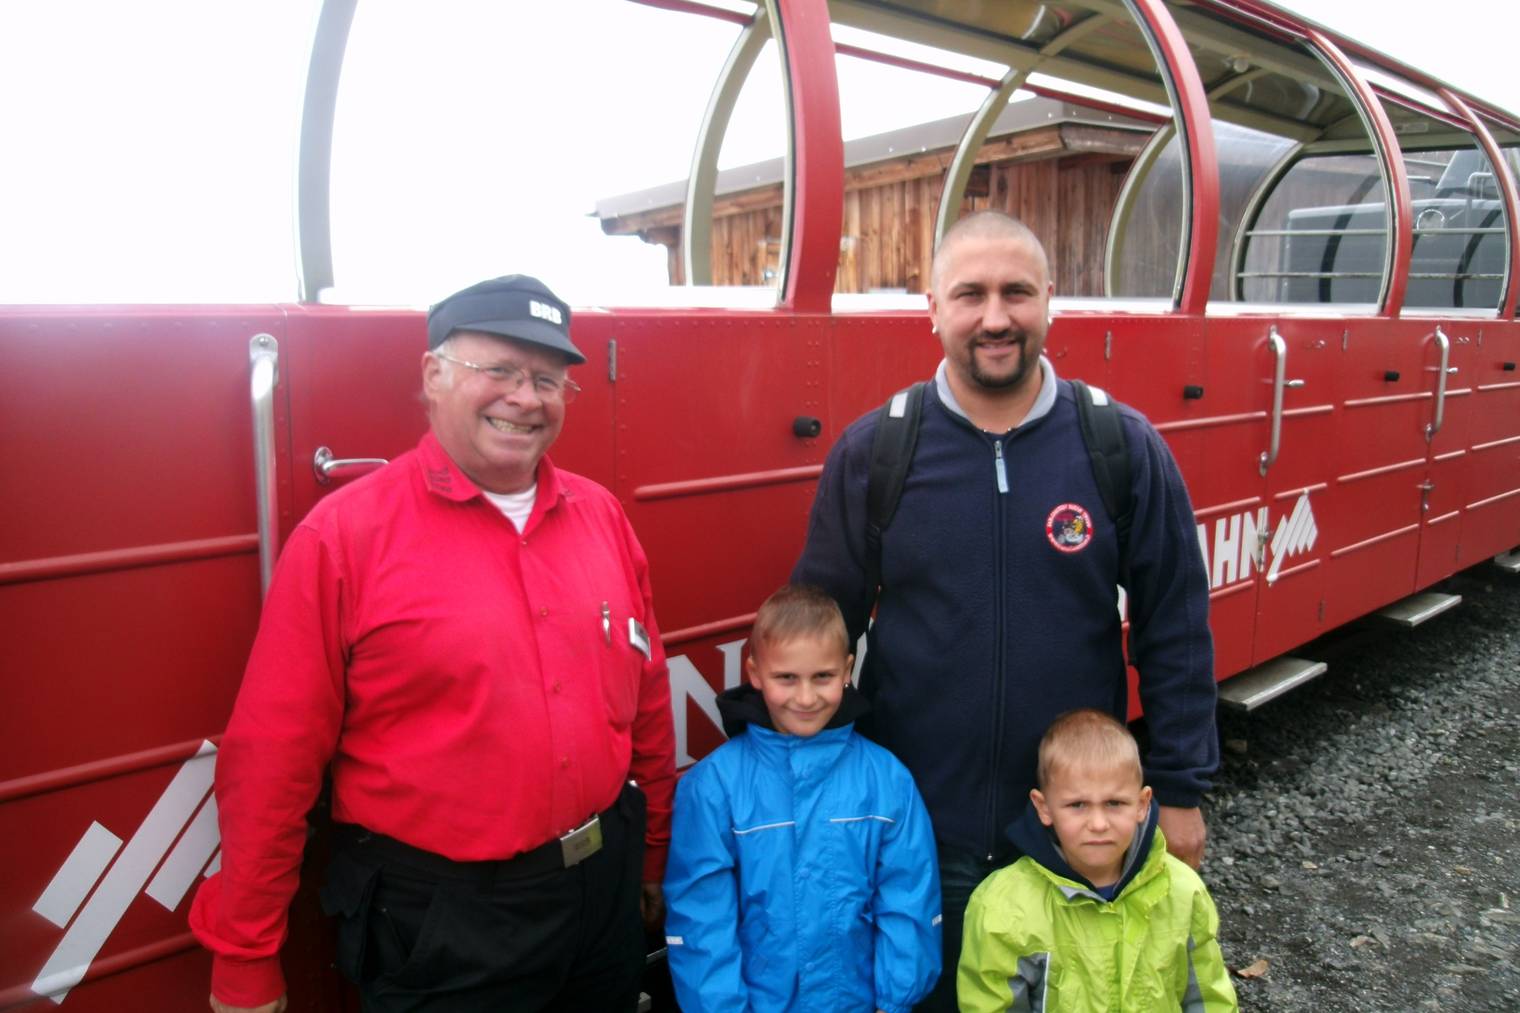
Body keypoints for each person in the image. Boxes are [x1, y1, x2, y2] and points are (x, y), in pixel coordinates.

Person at [189, 275, 676, 1013]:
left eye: (547, 379)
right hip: (444, 927)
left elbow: (646, 696)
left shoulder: (602, 518)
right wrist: (246, 956)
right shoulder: (345, 538)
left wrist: (653, 852)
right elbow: (274, 757)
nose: (526, 397)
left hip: (597, 897)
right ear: (432, 376)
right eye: (500, 371)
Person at [792, 210, 1218, 1010]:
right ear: (933, 307)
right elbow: (818, 635)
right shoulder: (877, 452)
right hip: (914, 830)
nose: (995, 317)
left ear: (1050, 300)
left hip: (1070, 836)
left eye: (1016, 292)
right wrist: (807, 789)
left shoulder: (1117, 445)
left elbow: (1176, 625)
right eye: (971, 294)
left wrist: (1182, 787)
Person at [662, 584, 941, 1012]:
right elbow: (703, 919)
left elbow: (908, 901)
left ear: (847, 670)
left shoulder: (887, 780)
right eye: (786, 678)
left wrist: (895, 997)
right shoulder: (712, 786)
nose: (806, 697)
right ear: (755, 674)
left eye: (823, 677)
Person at [958, 710, 1238, 1012]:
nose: (1098, 823)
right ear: (1044, 807)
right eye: (1077, 805)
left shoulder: (1184, 891)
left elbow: (1208, 998)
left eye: (1114, 803)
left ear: (1143, 804)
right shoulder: (1002, 907)